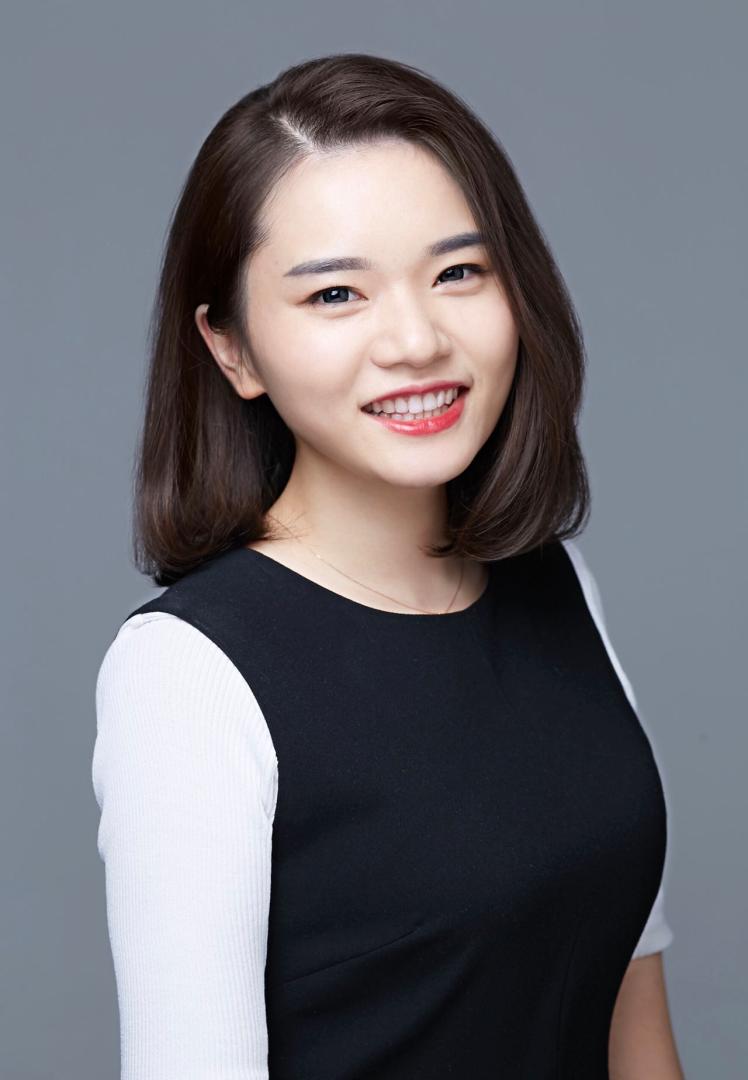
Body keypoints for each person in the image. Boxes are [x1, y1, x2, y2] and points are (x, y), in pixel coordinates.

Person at [92, 53, 684, 1079]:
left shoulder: (558, 585)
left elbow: (633, 1024)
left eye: (458, 273)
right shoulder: (188, 674)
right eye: (335, 294)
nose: (415, 340)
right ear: (233, 350)